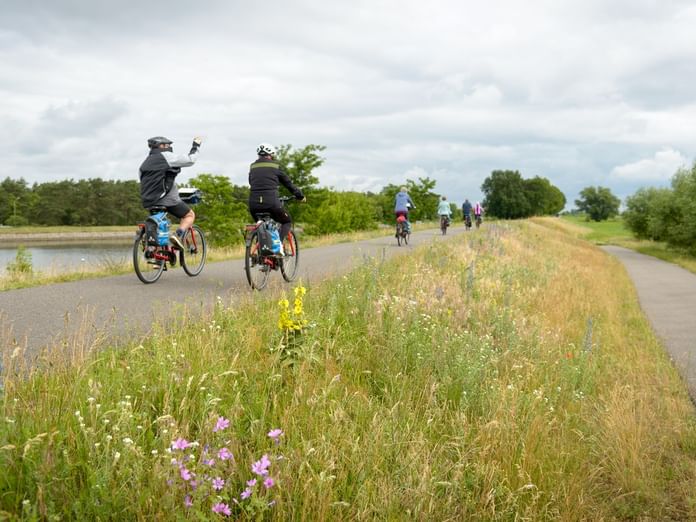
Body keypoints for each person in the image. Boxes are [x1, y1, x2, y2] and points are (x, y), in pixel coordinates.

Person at [139, 136, 202, 249]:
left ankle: (158, 260)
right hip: (166, 199)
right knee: (189, 215)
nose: (170, 147)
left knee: (158, 227)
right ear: (161, 146)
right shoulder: (166, 156)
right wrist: (195, 146)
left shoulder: (144, 164)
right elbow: (190, 160)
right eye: (167, 145)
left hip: (148, 201)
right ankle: (177, 235)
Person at [248, 143, 305, 255]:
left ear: (259, 155)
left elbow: (251, 182)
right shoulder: (275, 166)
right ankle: (277, 244)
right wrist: (299, 195)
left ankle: (261, 251)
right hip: (271, 203)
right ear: (271, 155)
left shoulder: (252, 166)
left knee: (261, 226)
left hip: (253, 205)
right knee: (286, 221)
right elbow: (288, 184)